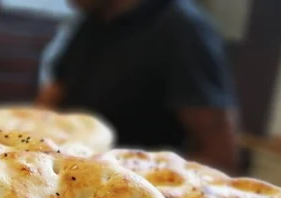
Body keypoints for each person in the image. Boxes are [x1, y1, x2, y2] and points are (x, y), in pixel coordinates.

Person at [36, 0, 239, 173]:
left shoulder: (184, 29)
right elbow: (49, 101)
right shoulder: (93, 21)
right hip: (67, 173)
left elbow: (220, 156)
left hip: (131, 194)